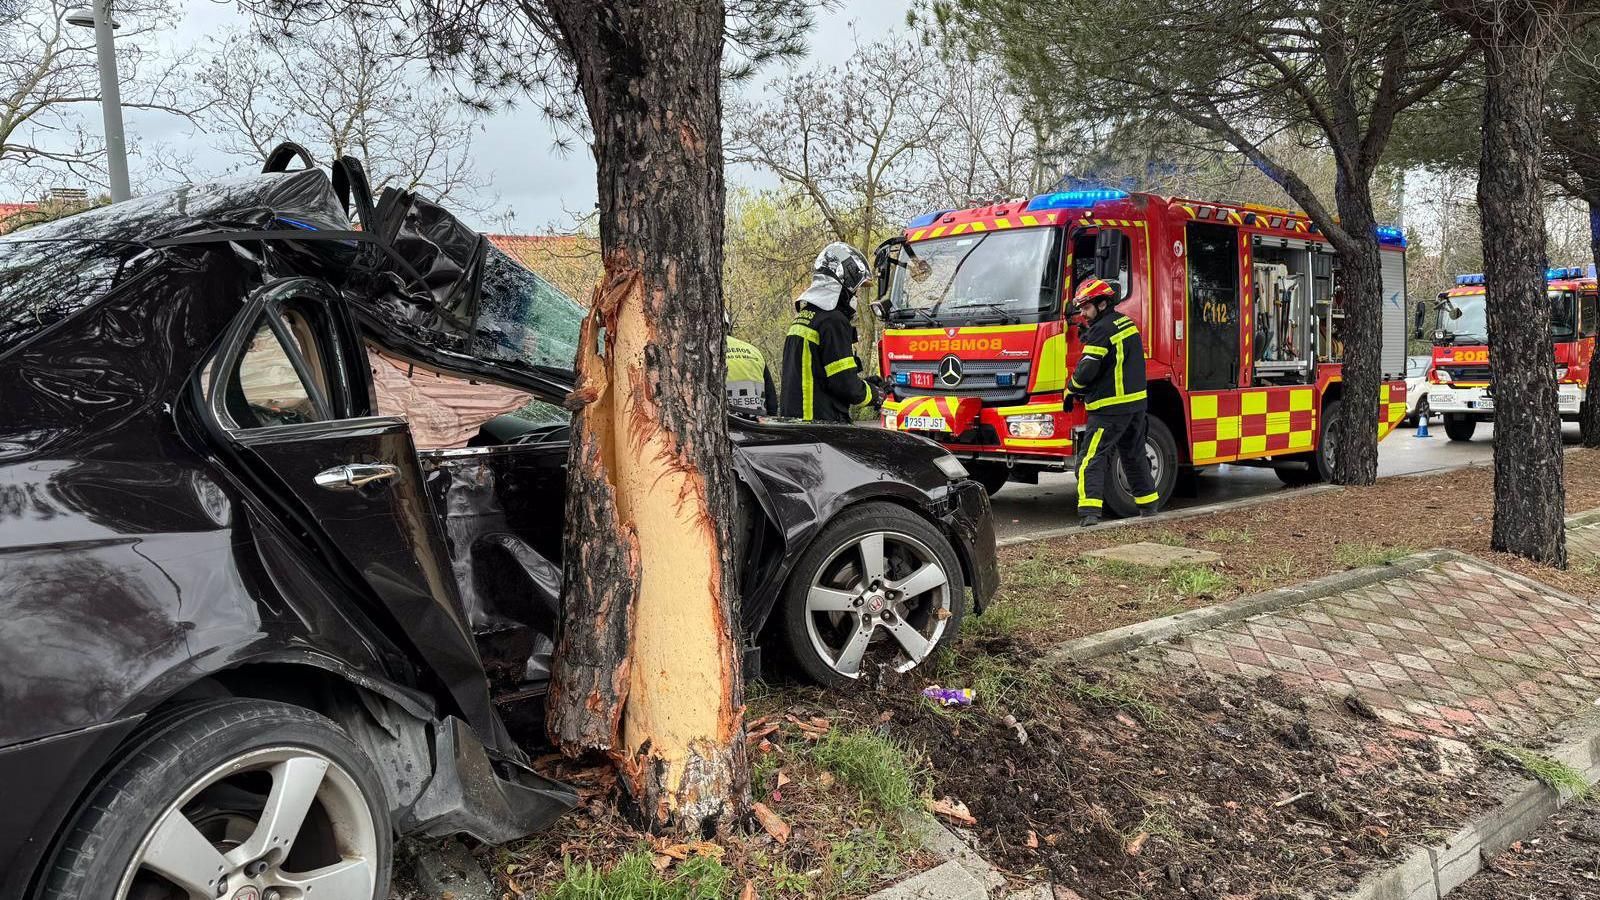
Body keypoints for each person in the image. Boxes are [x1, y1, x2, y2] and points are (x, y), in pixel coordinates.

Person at [1063, 277, 1159, 525]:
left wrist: (1071, 390)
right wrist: (1089, 336)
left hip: (1108, 409)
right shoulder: (1126, 323)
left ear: (1102, 304)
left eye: (1086, 307)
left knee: (1090, 460)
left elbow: (1087, 370)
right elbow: (1117, 359)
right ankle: (1149, 507)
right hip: (1136, 407)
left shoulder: (1101, 331)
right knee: (1134, 456)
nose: (1083, 314)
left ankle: (1089, 514)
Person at [780, 242, 885, 422]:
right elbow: (844, 385)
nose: (856, 295)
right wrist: (877, 395)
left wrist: (864, 383)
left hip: (797, 423)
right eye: (856, 289)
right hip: (820, 427)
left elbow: (824, 376)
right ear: (846, 284)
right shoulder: (833, 320)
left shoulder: (806, 317)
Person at [725, 314, 777, 416]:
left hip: (726, 422)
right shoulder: (753, 350)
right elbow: (771, 398)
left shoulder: (700, 354)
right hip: (756, 422)